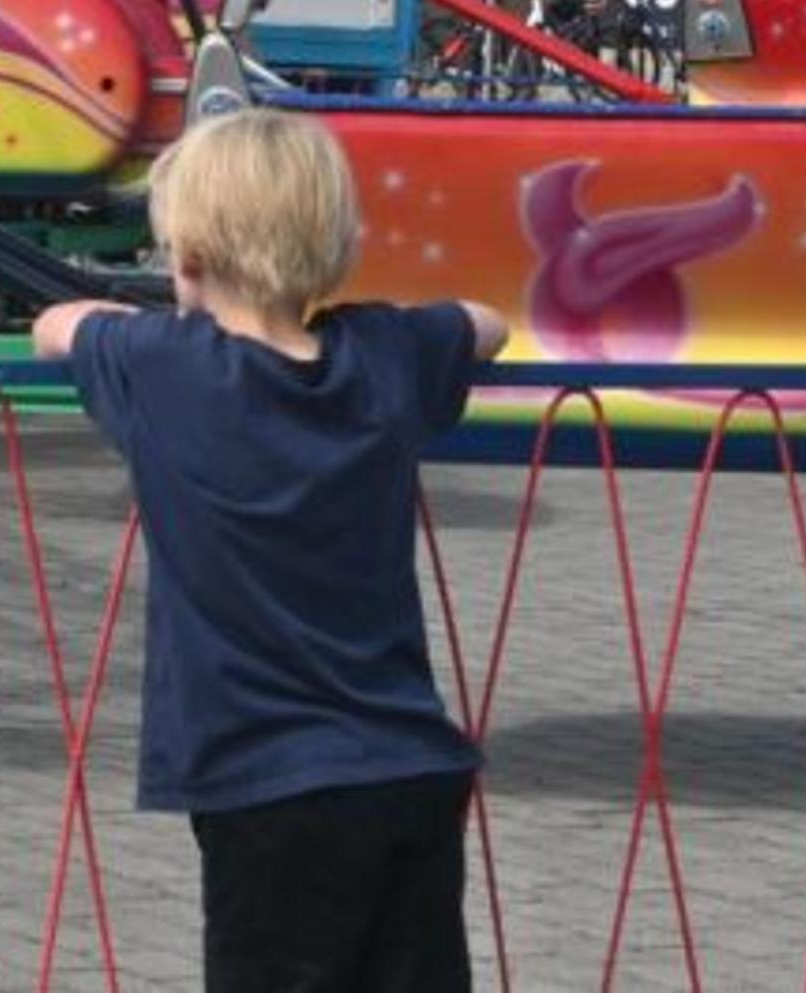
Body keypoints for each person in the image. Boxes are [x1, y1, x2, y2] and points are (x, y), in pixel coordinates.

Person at [32, 108, 508, 991]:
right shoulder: (386, 353)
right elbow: (486, 323)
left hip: (265, 785)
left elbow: (56, 323)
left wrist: (142, 306)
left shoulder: (161, 366)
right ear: (335, 244)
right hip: (409, 766)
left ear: (187, 256)